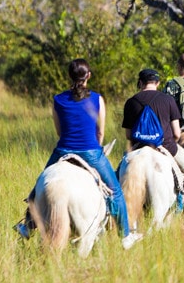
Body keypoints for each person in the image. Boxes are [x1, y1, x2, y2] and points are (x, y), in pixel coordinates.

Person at [13, 58, 143, 250]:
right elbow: (100, 133)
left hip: (63, 150)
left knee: (40, 183)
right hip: (91, 151)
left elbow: (59, 131)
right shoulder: (97, 99)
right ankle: (125, 235)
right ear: (88, 76)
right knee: (115, 191)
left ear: (69, 76)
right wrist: (97, 149)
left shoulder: (58, 100)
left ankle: (27, 225)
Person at [122, 68, 184, 229]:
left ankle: (118, 221)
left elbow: (129, 135)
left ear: (140, 83)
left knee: (118, 177)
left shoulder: (131, 102)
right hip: (166, 147)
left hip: (138, 147)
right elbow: (177, 133)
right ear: (158, 83)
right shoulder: (167, 100)